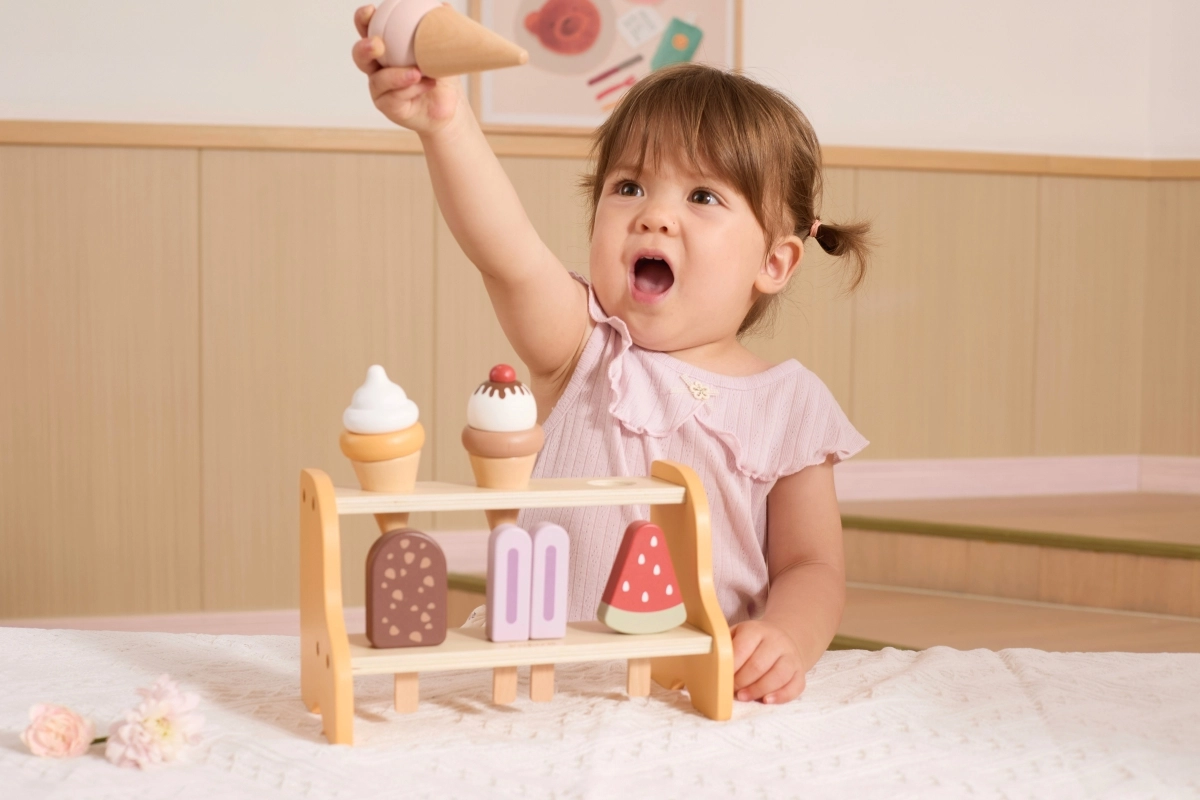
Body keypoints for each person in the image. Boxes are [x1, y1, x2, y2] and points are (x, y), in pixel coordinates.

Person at [351, 6, 871, 705]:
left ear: (773, 262)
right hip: (549, 681)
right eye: (628, 187)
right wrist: (446, 124)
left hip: (697, 692)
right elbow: (507, 253)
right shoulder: (585, 346)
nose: (654, 214)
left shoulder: (791, 404)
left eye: (702, 196)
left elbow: (812, 566)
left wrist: (785, 639)